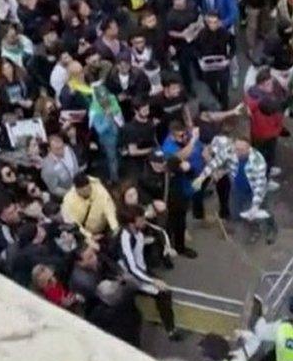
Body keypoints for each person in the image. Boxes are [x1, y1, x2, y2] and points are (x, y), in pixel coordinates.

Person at [115, 204, 184, 341]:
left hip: (142, 269)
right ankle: (171, 330)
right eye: (140, 219)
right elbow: (131, 268)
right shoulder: (125, 238)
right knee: (163, 292)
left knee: (161, 289)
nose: (144, 221)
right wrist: (153, 280)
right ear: (131, 223)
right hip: (130, 276)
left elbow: (160, 231)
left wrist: (167, 247)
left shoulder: (139, 228)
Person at [194, 130, 275, 244]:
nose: (237, 152)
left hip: (252, 190)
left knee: (258, 212)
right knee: (236, 210)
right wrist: (201, 177)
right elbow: (215, 163)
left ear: (249, 148)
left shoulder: (258, 162)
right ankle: (245, 223)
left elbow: (259, 186)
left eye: (241, 150)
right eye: (236, 148)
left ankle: (265, 229)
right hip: (237, 188)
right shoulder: (230, 150)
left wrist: (255, 206)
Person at [61, 172, 119, 242]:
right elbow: (74, 224)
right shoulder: (68, 201)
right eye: (83, 191)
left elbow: (109, 210)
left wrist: (115, 229)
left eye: (88, 188)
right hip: (85, 234)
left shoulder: (99, 190)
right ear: (77, 190)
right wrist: (90, 236)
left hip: (104, 226)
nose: (87, 192)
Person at [39, 132, 81, 199]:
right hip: (68, 195)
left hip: (79, 185)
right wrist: (70, 194)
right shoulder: (47, 167)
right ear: (49, 149)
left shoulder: (68, 149)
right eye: (57, 149)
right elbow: (54, 188)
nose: (61, 150)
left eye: (62, 146)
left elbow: (76, 165)